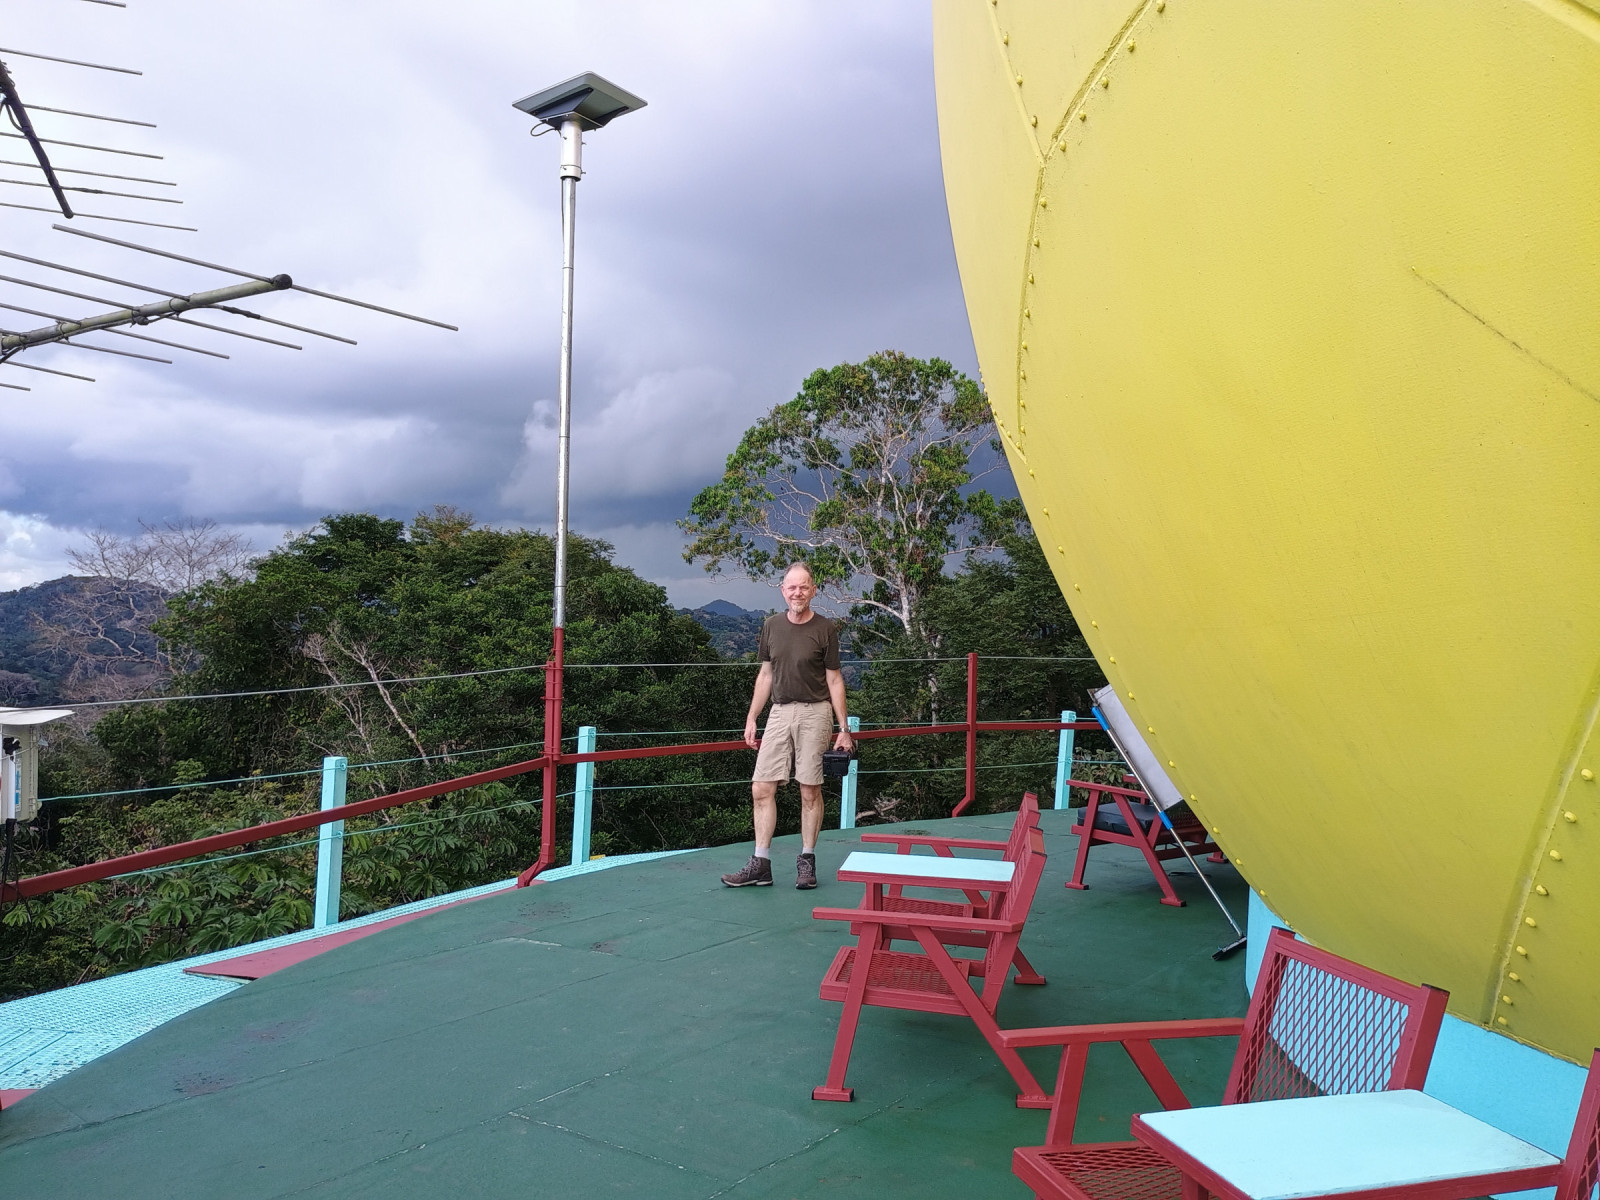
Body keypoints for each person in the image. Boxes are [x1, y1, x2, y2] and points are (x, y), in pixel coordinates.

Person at [721, 561, 853, 890]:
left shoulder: (825, 629)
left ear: (813, 591)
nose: (797, 592)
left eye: (803, 587)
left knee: (810, 789)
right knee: (761, 787)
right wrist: (752, 717)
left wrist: (844, 729)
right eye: (792, 587)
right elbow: (765, 675)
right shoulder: (771, 626)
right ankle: (760, 864)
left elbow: (835, 680)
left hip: (815, 712)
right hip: (779, 712)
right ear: (783, 590)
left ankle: (807, 860)